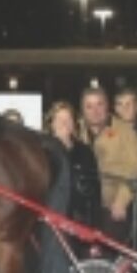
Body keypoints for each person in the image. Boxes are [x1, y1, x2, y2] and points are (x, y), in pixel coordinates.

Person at [79, 87, 137, 246]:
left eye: (99, 104)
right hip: (84, 210)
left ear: (108, 106)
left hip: (113, 209)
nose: (95, 110)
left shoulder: (125, 132)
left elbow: (135, 169)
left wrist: (121, 201)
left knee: (110, 260)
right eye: (89, 106)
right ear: (83, 110)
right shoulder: (75, 131)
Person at [45, 101, 100, 255]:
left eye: (68, 119)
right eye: (59, 119)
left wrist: (94, 230)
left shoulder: (85, 152)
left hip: (79, 223)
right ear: (51, 124)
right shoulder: (43, 151)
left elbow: (95, 193)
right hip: (51, 224)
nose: (64, 123)